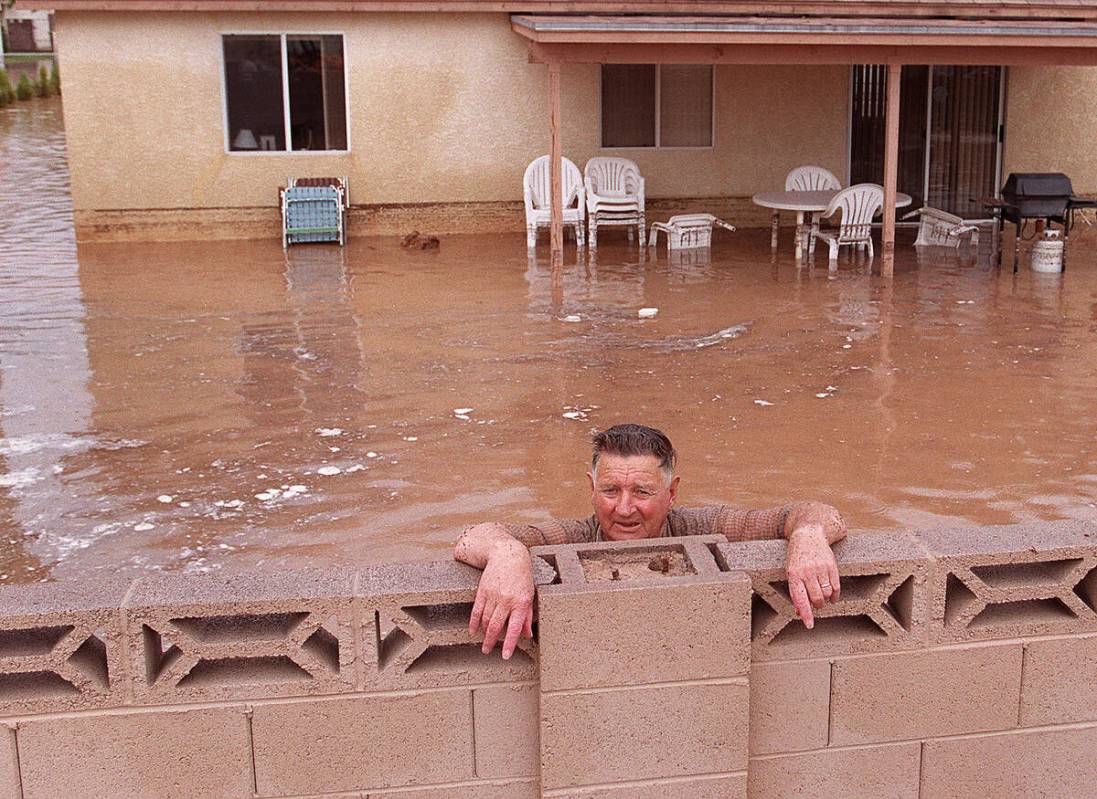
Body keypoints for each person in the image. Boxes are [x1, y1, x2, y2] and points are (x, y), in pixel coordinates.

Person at [454, 423, 847, 660]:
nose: (624, 508)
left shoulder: (703, 526)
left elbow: (815, 514)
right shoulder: (571, 537)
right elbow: (470, 537)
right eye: (610, 490)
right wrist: (508, 554)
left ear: (672, 492)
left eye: (642, 492)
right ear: (591, 489)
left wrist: (808, 535)